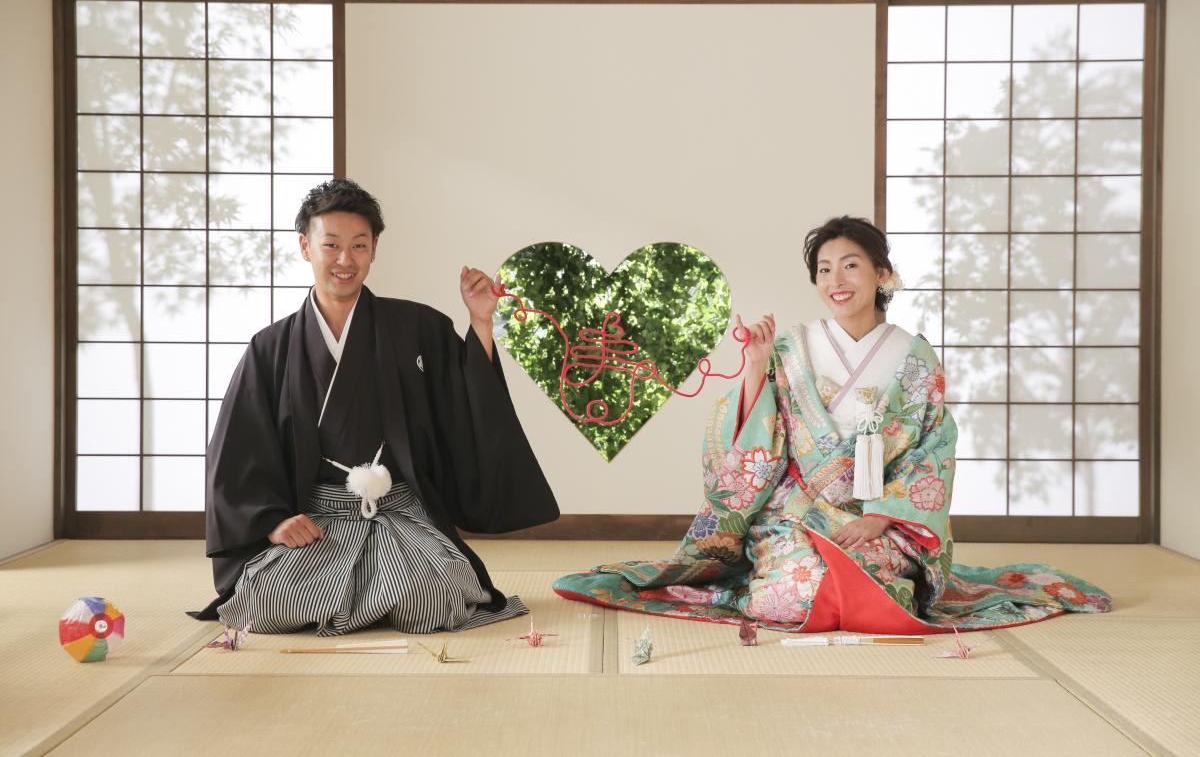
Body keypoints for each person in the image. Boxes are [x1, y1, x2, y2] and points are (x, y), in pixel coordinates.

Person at [554, 216, 1110, 633]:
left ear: (881, 273)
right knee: (789, 598)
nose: (836, 280)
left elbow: (933, 447)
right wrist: (756, 365)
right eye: (824, 269)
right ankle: (786, 565)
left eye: (850, 265)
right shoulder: (792, 348)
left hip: (879, 516)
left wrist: (881, 516)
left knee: (878, 590)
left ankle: (875, 567)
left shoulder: (914, 357)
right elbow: (753, 435)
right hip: (795, 509)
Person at [192, 179, 559, 635]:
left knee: (433, 599)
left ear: (374, 250)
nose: (345, 260)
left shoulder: (417, 327)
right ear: (306, 247)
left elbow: (467, 407)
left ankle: (377, 594)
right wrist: (272, 523)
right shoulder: (271, 348)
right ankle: (368, 599)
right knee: (267, 603)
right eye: (331, 245)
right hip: (318, 520)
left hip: (398, 513)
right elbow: (236, 452)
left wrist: (481, 323)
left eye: (359, 246)